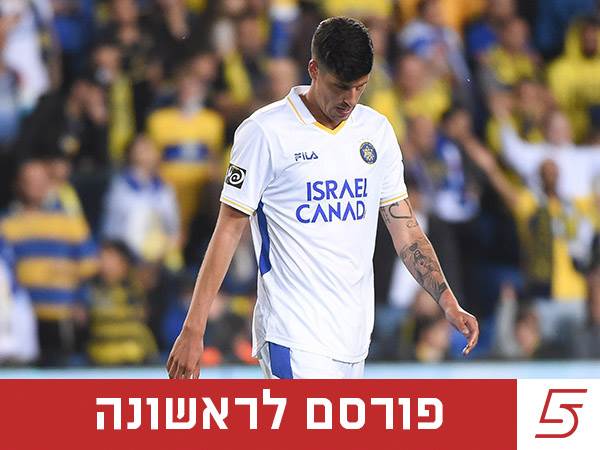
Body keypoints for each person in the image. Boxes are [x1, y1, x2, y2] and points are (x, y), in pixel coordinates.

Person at [167, 17, 479, 380]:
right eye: (341, 87)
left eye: (360, 87)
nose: (350, 100)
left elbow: (406, 230)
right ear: (314, 70)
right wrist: (194, 328)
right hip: (292, 334)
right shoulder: (265, 132)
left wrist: (447, 300)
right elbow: (227, 230)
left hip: (353, 337)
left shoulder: (375, 131)